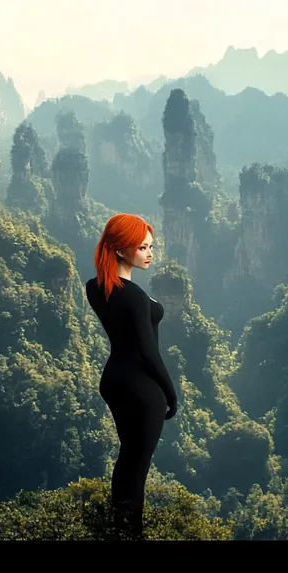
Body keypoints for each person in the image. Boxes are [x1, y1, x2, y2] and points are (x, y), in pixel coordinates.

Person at [85, 213, 178, 540]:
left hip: (113, 380)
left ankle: (118, 527)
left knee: (127, 459)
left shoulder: (95, 288)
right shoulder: (135, 297)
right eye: (142, 247)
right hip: (142, 387)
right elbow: (148, 353)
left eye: (151, 246)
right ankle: (130, 534)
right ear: (121, 250)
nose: (150, 253)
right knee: (138, 467)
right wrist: (171, 393)